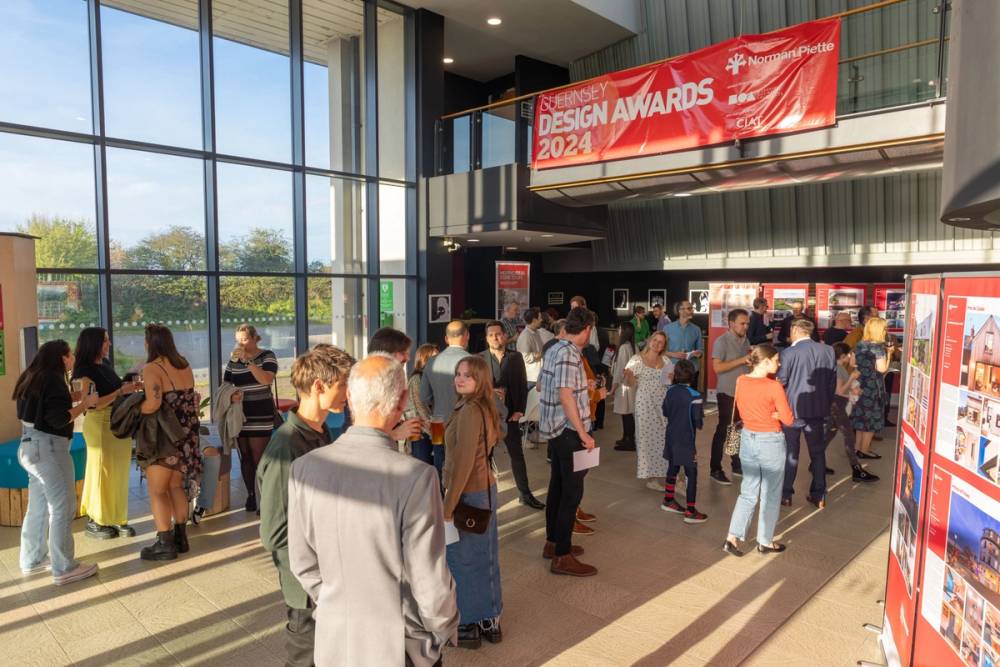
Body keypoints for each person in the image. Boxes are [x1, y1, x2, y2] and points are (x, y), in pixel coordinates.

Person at [287, 354, 459, 666]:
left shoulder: (304, 468)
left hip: (334, 640)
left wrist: (336, 604)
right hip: (399, 645)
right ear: (402, 400)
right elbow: (428, 577)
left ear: (350, 398)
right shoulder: (417, 477)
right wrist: (442, 628)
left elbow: (302, 563)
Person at [257, 345, 354, 666]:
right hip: (307, 590)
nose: (349, 393)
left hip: (328, 578)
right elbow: (275, 533)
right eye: (344, 385)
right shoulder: (286, 446)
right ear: (319, 386)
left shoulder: (321, 432)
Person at [14, 340, 100, 585]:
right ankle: (64, 568)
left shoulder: (32, 376)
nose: (73, 357)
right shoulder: (53, 379)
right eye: (69, 354)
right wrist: (85, 404)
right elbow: (58, 419)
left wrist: (72, 397)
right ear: (61, 358)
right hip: (49, 449)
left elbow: (41, 408)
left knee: (38, 505)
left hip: (29, 447)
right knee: (62, 506)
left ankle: (32, 559)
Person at [442, 356, 504, 649]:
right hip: (483, 489)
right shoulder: (483, 405)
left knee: (463, 559)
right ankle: (490, 619)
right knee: (485, 555)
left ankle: (468, 623)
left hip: (469, 493)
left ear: (480, 379)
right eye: (458, 373)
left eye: (468, 375)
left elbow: (464, 462)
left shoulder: (469, 410)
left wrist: (448, 505)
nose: (460, 378)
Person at [539, 306, 598, 576]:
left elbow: (542, 385)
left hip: (556, 429)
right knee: (571, 493)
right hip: (568, 431)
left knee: (558, 486)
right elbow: (565, 396)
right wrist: (583, 433)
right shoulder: (569, 354)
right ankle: (562, 556)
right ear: (586, 329)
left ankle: (553, 543)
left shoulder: (554, 349)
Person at [139, 324, 202, 561]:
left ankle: (164, 543)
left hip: (164, 436)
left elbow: (154, 404)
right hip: (186, 434)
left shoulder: (152, 368)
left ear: (150, 343)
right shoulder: (184, 364)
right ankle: (181, 538)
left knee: (157, 490)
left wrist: (135, 409)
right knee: (176, 486)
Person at [724, 345, 794, 557]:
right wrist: (776, 414)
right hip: (770, 441)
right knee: (770, 493)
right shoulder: (774, 387)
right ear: (765, 362)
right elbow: (788, 419)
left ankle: (732, 538)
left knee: (748, 491)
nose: (779, 364)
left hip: (748, 438)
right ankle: (764, 541)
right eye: (776, 360)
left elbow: (745, 407)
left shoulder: (741, 380)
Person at [72, 327, 141, 539]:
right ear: (93, 343)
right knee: (101, 471)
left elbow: (113, 388)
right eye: (105, 341)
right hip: (100, 424)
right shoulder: (83, 370)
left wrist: (127, 385)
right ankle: (97, 520)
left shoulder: (105, 364)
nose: (109, 344)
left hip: (119, 420)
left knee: (119, 472)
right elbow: (92, 403)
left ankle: (117, 517)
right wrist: (121, 391)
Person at [479, 321, 543, 510]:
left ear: (505, 336)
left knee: (517, 455)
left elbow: (522, 385)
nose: (495, 338)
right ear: (486, 338)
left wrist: (520, 410)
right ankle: (484, 496)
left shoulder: (515, 357)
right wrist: (490, 392)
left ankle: (525, 494)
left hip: (510, 415)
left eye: (498, 334)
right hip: (487, 416)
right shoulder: (479, 359)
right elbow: (475, 387)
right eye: (491, 335)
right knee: (485, 457)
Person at [778, 319, 838, 509]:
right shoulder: (828, 351)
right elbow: (832, 382)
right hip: (818, 410)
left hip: (792, 410)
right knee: (818, 453)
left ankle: (786, 494)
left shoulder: (788, 353)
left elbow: (781, 381)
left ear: (796, 330)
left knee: (790, 452)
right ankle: (819, 495)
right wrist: (825, 403)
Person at [224, 323, 278, 513]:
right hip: (241, 414)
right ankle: (251, 495)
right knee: (245, 456)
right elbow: (226, 384)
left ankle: (266, 498)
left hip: (261, 412)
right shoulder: (233, 360)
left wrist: (248, 362)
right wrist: (231, 395)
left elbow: (266, 379)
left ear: (255, 338)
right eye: (238, 341)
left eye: (245, 339)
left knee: (259, 456)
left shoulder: (267, 355)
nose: (241, 344)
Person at [623, 331, 672, 491]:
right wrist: (629, 376)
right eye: (655, 340)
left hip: (662, 403)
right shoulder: (637, 359)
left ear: (664, 346)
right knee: (646, 439)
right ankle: (651, 478)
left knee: (663, 438)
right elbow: (630, 384)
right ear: (650, 340)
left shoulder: (666, 360)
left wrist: (672, 379)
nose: (657, 344)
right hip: (645, 404)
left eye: (661, 342)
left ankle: (666, 471)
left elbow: (669, 383)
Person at [660, 360, 707, 523]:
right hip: (686, 440)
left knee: (672, 468)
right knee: (691, 473)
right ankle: (691, 510)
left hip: (671, 436)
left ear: (675, 375)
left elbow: (665, 412)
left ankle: (668, 500)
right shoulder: (695, 396)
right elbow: (698, 423)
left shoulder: (670, 391)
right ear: (693, 376)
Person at [708, 309, 750, 485]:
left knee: (736, 429)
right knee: (723, 430)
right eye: (742, 323)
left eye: (747, 323)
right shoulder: (721, 341)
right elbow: (717, 368)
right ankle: (715, 469)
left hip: (742, 393)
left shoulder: (745, 340)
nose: (745, 326)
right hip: (727, 393)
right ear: (731, 323)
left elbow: (745, 364)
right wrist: (742, 360)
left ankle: (736, 464)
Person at [829, 343, 879, 482]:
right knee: (849, 436)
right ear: (843, 356)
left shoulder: (837, 368)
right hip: (838, 406)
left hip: (836, 405)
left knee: (829, 435)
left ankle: (815, 463)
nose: (851, 356)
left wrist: (852, 389)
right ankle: (856, 469)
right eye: (849, 354)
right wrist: (852, 378)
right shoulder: (839, 369)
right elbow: (839, 391)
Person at [852, 317, 892, 460]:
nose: (886, 331)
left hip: (859, 384)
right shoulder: (878, 348)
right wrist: (890, 354)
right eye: (884, 328)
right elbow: (882, 369)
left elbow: (852, 363)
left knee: (861, 417)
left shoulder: (860, 344)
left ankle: (857, 448)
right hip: (873, 386)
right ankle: (865, 450)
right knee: (871, 419)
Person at [408, 343, 441, 472]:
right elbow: (420, 409)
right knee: (422, 469)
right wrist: (435, 431)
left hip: (436, 428)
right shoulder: (416, 379)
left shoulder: (436, 377)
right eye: (434, 357)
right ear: (423, 359)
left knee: (437, 469)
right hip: (420, 431)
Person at [611, 322, 637, 451]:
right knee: (628, 413)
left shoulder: (623, 348)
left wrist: (613, 388)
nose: (618, 331)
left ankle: (629, 441)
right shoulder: (633, 346)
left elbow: (620, 370)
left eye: (620, 329)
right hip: (631, 385)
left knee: (626, 414)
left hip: (623, 386)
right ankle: (626, 437)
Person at [664, 301, 704, 381]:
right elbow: (661, 351)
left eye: (692, 308)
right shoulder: (667, 328)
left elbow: (701, 350)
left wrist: (698, 353)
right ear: (680, 310)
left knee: (691, 390)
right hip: (672, 370)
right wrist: (674, 354)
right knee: (672, 390)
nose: (692, 311)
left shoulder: (696, 329)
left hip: (692, 369)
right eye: (689, 308)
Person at [516, 307, 545, 387]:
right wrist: (542, 353)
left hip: (537, 376)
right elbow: (525, 357)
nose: (542, 320)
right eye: (540, 318)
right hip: (531, 378)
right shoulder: (525, 336)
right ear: (534, 320)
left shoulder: (536, 332)